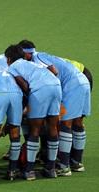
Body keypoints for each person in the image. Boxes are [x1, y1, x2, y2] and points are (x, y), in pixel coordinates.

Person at [19, 40, 91, 175]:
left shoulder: (36, 59)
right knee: (78, 123)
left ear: (26, 54)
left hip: (72, 85)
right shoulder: (43, 55)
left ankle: (64, 166)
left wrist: (53, 89)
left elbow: (54, 71)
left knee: (65, 124)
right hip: (83, 81)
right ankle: (76, 162)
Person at [6, 45, 62, 180]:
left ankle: (29, 171)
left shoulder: (12, 67)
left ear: (8, 59)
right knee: (53, 127)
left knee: (34, 130)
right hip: (56, 86)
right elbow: (54, 72)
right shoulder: (31, 63)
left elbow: (25, 86)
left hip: (40, 90)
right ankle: (51, 168)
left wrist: (27, 105)